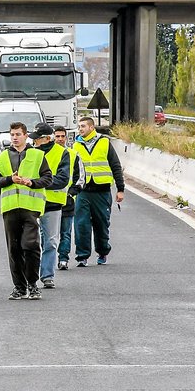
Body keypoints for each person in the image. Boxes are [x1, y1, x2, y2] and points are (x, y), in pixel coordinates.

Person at [0, 122, 52, 301]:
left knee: (30, 245)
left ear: (26, 136)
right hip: (10, 208)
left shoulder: (37, 155)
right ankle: (19, 286)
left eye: (18, 134)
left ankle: (32, 283)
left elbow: (48, 178)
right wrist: (10, 179)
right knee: (14, 249)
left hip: (30, 207)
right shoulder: (1, 158)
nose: (15, 137)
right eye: (12, 134)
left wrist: (31, 182)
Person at [73, 117, 125, 266]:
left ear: (91, 127)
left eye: (83, 126)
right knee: (81, 224)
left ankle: (102, 252)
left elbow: (115, 165)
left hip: (101, 191)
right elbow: (73, 169)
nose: (80, 129)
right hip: (83, 191)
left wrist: (120, 189)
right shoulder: (76, 145)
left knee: (101, 224)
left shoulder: (104, 142)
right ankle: (82, 256)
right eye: (79, 126)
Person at [30, 123, 70, 289]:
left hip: (52, 204)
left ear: (46, 138)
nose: (34, 142)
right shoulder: (29, 153)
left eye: (37, 139)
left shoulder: (62, 153)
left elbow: (62, 180)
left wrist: (38, 182)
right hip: (31, 202)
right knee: (31, 242)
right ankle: (31, 275)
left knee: (51, 242)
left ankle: (47, 275)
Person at [53, 126, 82, 271]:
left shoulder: (73, 154)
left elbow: (80, 177)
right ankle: (48, 259)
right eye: (57, 136)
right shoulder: (46, 154)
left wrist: (72, 192)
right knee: (48, 234)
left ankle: (63, 259)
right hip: (49, 201)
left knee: (65, 233)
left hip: (67, 201)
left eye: (62, 136)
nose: (59, 139)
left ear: (66, 137)